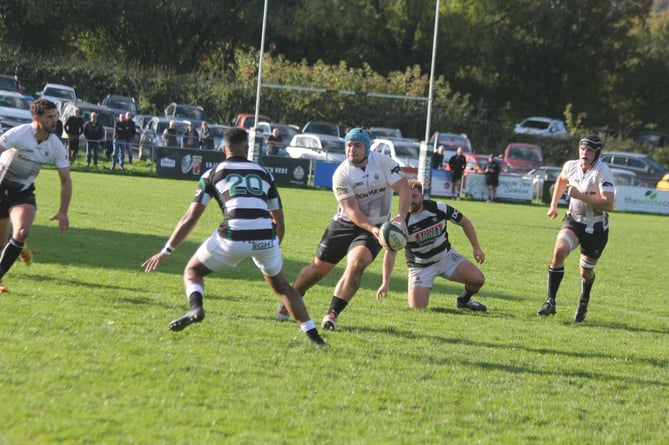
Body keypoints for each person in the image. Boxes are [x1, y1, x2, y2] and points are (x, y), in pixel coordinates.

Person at [142, 128, 326, 346]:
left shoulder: (212, 174)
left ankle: (196, 308)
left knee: (193, 270)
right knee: (283, 287)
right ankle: (315, 339)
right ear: (247, 149)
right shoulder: (264, 174)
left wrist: (166, 251)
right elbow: (280, 222)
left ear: (223, 149)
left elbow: (191, 217)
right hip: (266, 236)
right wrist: (271, 248)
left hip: (232, 236)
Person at [276, 127, 410, 330]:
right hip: (344, 224)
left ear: (367, 147)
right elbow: (352, 211)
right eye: (348, 145)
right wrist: (374, 229)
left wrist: (400, 217)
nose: (351, 150)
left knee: (357, 264)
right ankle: (294, 296)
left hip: (376, 227)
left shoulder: (384, 163)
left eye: (357, 145)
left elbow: (405, 189)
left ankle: (332, 313)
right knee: (317, 271)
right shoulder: (341, 174)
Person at [376, 179, 487, 311]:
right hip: (420, 267)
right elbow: (390, 252)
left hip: (446, 257)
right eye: (407, 197)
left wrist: (476, 247)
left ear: (422, 196)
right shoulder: (400, 223)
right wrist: (385, 283)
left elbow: (464, 222)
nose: (410, 200)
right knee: (417, 308)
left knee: (478, 279)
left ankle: (463, 301)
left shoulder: (439, 208)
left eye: (414, 196)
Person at [537, 135, 615, 323]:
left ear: (596, 152)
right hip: (574, 221)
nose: (584, 153)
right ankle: (550, 301)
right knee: (559, 251)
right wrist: (553, 205)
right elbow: (562, 179)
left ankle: (584, 300)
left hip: (596, 229)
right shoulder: (571, 166)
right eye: (582, 149)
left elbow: (609, 204)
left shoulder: (603, 172)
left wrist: (580, 195)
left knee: (585, 272)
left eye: (589, 150)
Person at [0, 98, 72, 293]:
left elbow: (66, 179)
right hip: (0, 187)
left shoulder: (55, 145)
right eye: (49, 117)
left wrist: (63, 211)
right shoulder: (20, 133)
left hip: (22, 192)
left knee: (22, 232)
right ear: (36, 118)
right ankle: (18, 246)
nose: (54, 121)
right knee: (1, 242)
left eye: (56, 117)